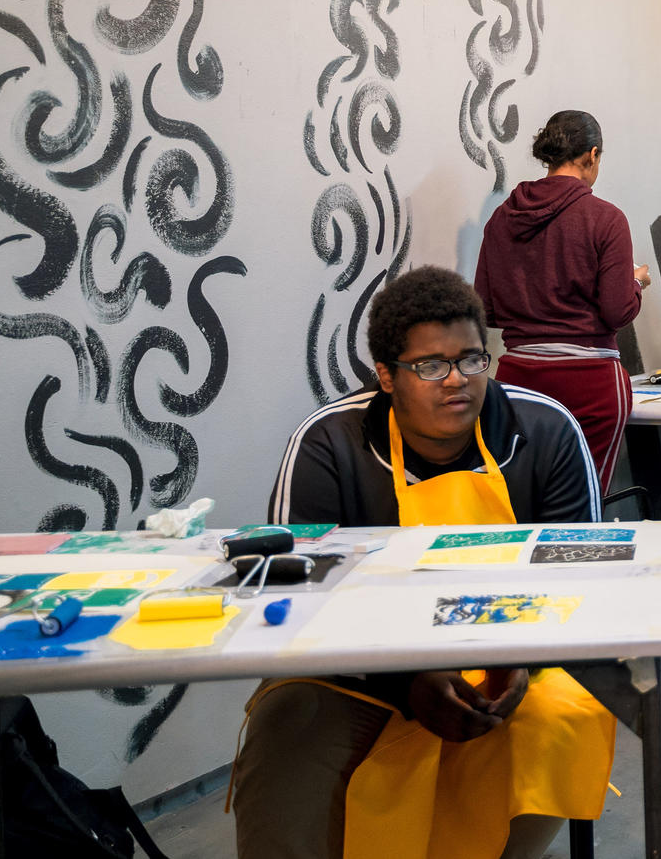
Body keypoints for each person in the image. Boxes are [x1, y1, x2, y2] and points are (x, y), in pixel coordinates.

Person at [238, 266, 606, 859]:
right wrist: (406, 678)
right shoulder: (329, 444)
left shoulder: (545, 431)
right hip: (354, 671)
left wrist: (525, 657)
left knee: (567, 713)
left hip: (511, 653)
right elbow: (296, 604)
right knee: (288, 726)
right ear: (386, 375)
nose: (456, 381)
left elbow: (583, 579)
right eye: (430, 366)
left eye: (471, 359)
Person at [476, 110, 649, 484]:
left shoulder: (502, 218)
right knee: (583, 500)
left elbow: (485, 309)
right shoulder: (606, 218)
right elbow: (617, 310)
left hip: (517, 379)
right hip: (590, 379)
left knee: (521, 497)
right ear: (591, 154)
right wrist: (634, 283)